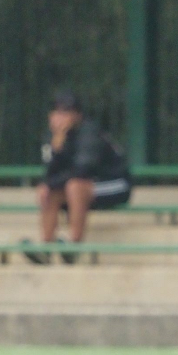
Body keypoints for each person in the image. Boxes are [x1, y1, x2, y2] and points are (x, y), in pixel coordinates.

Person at [27, 90, 131, 263]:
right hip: (78, 184)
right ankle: (46, 247)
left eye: (66, 112)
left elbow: (83, 169)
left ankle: (74, 245)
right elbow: (50, 173)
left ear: (77, 115)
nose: (60, 117)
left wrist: (51, 181)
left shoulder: (89, 133)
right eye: (56, 112)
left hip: (114, 184)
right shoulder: (52, 137)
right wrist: (56, 150)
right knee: (49, 191)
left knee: (74, 186)